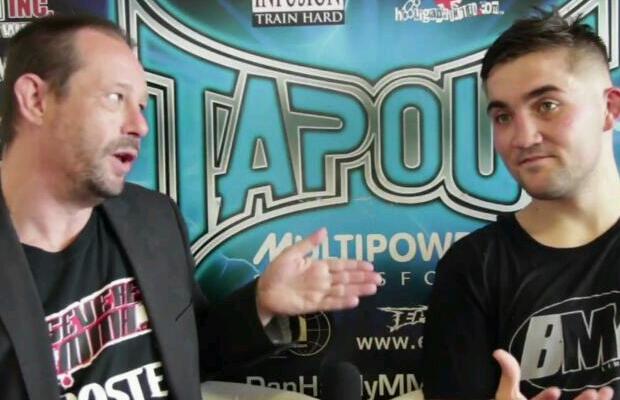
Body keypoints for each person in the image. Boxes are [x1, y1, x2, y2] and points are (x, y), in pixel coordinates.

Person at [0, 15, 381, 400]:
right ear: (36, 100)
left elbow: (191, 355)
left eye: (141, 106)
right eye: (115, 97)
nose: (139, 125)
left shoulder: (153, 219)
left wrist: (259, 304)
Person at [422, 9, 620, 400]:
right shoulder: (472, 269)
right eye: (503, 116)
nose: (523, 137)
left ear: (610, 109)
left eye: (547, 105)